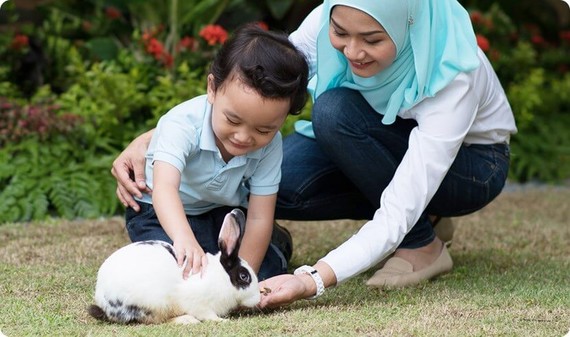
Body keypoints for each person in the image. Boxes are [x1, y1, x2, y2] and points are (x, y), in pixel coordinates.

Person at [113, 0, 517, 307]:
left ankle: (421, 242)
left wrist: (312, 279)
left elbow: (396, 208)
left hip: (471, 165)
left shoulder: (454, 73)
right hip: (369, 140)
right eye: (341, 33)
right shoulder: (325, 23)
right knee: (270, 188)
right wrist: (155, 139)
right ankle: (426, 213)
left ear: (407, 24)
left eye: (373, 39)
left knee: (334, 111)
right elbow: (255, 80)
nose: (352, 51)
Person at [118, 23, 309, 281]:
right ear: (212, 88)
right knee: (173, 272)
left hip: (219, 213)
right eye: (232, 120)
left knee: (266, 272)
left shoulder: (271, 145)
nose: (243, 137)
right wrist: (184, 239)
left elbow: (259, 217)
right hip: (159, 212)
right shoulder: (182, 124)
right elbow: (165, 189)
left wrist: (244, 277)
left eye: (263, 129)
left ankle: (277, 244)